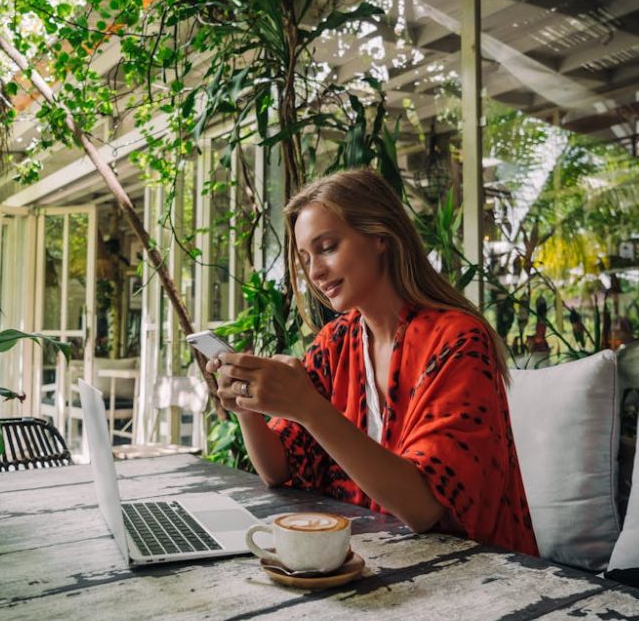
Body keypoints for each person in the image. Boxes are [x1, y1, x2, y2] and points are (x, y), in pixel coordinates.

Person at [207, 168, 538, 557]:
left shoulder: (458, 340)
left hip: (481, 575)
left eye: (327, 247)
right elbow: (279, 469)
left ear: (380, 236)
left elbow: (426, 508)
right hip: (374, 564)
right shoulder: (336, 342)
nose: (314, 273)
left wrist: (309, 408)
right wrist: (246, 403)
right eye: (305, 257)